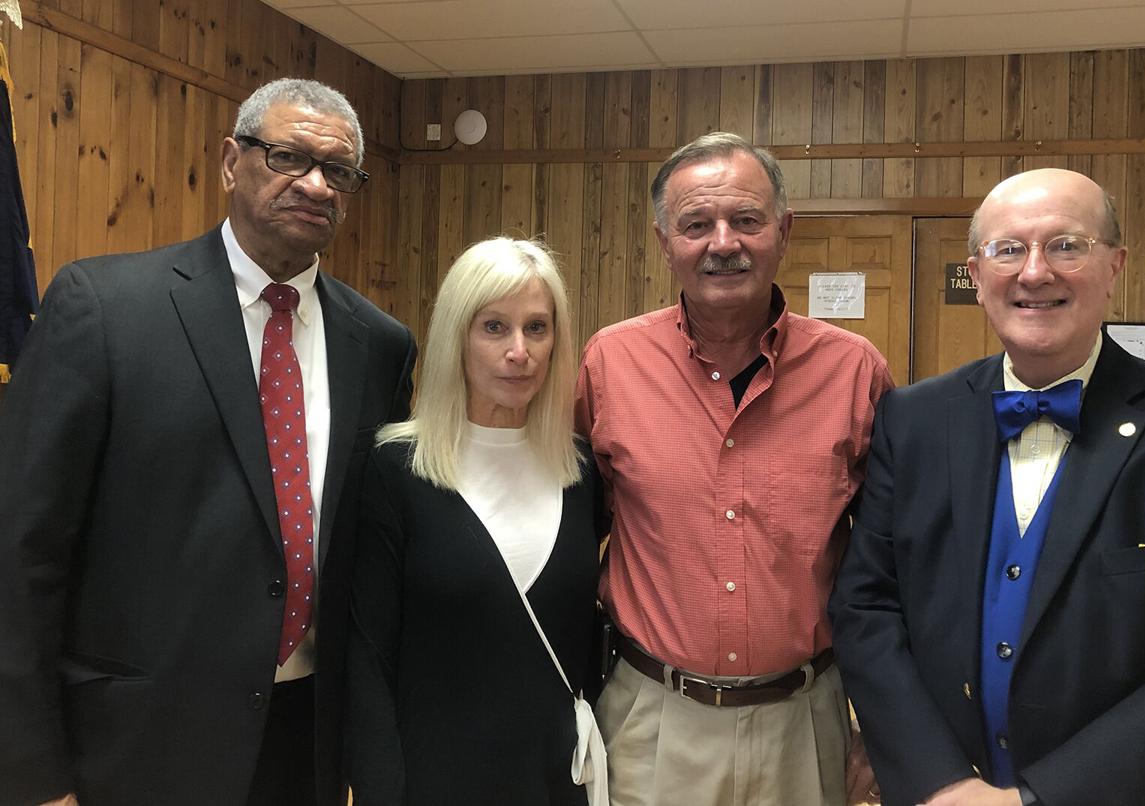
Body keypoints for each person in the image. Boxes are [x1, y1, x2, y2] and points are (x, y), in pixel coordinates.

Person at [0, 78, 416, 806]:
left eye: (339, 171)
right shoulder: (105, 311)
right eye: (288, 156)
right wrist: (30, 775)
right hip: (134, 744)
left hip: (304, 743)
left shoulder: (379, 345)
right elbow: (20, 549)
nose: (315, 184)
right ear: (231, 162)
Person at [829, 168, 1145, 806]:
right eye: (1009, 249)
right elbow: (868, 609)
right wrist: (936, 780)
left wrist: (1038, 798)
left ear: (1116, 265)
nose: (1034, 272)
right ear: (976, 276)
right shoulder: (913, 420)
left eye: (1066, 245)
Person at [574, 131, 892, 806]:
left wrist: (887, 725)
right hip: (653, 718)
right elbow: (570, 537)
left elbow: (891, 566)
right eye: (696, 225)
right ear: (665, 242)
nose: (723, 243)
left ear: (783, 231)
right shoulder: (611, 363)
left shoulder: (854, 371)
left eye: (746, 220)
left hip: (805, 721)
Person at [344, 237, 606, 806]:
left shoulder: (581, 471)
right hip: (433, 779)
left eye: (536, 328)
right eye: (494, 327)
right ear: (455, 338)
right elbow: (367, 657)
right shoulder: (397, 469)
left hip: (558, 779)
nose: (519, 351)